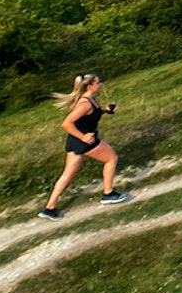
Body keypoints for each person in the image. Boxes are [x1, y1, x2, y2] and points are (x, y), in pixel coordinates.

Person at [38, 73, 128, 220]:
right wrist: (83, 137)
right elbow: (66, 123)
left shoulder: (89, 99)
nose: (100, 84)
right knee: (111, 158)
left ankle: (49, 208)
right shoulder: (84, 103)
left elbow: (90, 116)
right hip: (84, 140)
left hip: (75, 142)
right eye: (98, 82)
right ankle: (108, 193)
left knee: (67, 175)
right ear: (89, 85)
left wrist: (106, 111)